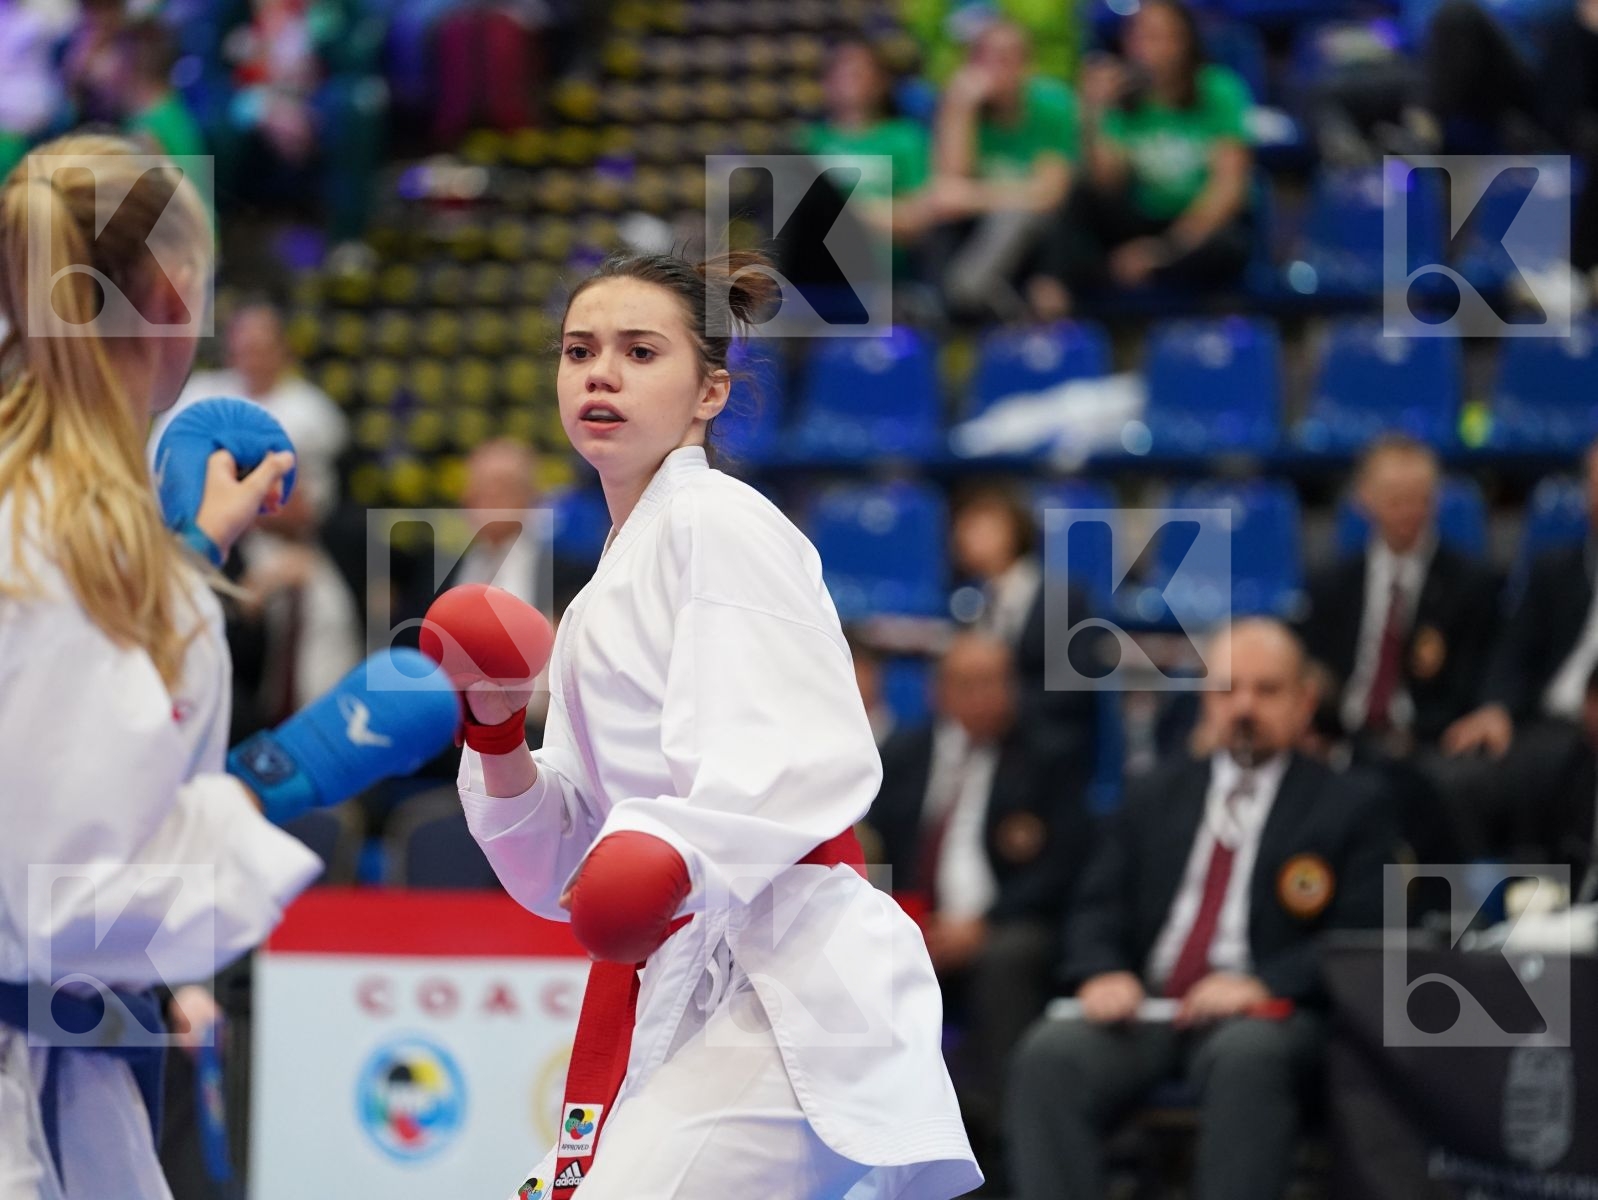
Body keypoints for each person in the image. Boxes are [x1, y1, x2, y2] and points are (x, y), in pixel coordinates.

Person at [442, 250, 981, 1198]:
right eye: (579, 351)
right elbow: (569, 870)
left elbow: (798, 746)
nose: (600, 372)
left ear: (709, 392)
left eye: (640, 351)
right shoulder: (606, 579)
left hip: (792, 981)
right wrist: (495, 740)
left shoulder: (722, 522)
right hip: (683, 978)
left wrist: (670, 849)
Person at [0, 134, 321, 1200]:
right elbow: (69, 904)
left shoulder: (66, 525)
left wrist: (185, 563)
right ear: (178, 295)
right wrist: (294, 777)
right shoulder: (72, 543)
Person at [1008, 619, 1397, 1200]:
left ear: (1304, 701)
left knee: (1246, 1057)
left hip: (1270, 1016)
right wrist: (1101, 971)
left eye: (1266, 691)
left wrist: (1261, 983)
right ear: (1205, 701)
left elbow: (1365, 936)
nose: (1244, 706)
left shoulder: (1350, 804)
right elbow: (1096, 906)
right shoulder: (1155, 794)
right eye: (1227, 689)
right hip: (1153, 1009)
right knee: (1050, 1054)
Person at [867, 633, 1092, 1167]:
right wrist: (896, 920)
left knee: (1008, 958)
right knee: (851, 953)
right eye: (969, 684)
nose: (985, 697)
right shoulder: (903, 756)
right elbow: (871, 847)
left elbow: (1063, 865)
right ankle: (872, 1136)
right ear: (938, 693)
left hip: (1005, 925)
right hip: (911, 922)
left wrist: (983, 924)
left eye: (996, 682)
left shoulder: (1048, 756)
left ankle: (992, 1136)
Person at [1027, 0, 1252, 319]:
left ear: (1184, 42)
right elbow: (1108, 182)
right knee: (1078, 197)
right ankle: (1051, 298)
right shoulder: (1122, 96)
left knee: (1228, 246)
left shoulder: (1217, 89)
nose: (1143, 47)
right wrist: (1094, 112)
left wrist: (1163, 251)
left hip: (1193, 228)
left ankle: (1142, 277)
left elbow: (1228, 189)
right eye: (1137, 36)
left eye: (1156, 36)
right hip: (1138, 218)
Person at [1439, 438, 1598, 856]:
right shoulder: (1553, 570)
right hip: (1546, 726)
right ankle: (1478, 913)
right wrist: (1497, 707)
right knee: (1457, 782)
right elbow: (1514, 650)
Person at [1299, 436, 1496, 753]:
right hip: (1342, 739)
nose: (1407, 511)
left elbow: (1474, 681)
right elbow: (1316, 668)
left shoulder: (1471, 584)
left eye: (1418, 499)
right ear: (1364, 498)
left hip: (1430, 744)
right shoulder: (1330, 584)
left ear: (1435, 500)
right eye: (1394, 499)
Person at [928, 19, 1077, 320]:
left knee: (1015, 217)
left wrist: (976, 196)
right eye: (986, 59)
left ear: (1027, 66)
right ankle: (961, 304)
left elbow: (1051, 196)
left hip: (1042, 237)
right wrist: (960, 109)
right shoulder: (959, 108)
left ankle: (968, 292)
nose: (998, 69)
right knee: (940, 229)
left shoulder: (1054, 104)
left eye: (1009, 58)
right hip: (974, 231)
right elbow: (946, 195)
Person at [155, 300, 349, 526]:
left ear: (283, 350)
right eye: (244, 349)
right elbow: (161, 462)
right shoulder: (198, 393)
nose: (252, 360)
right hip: (184, 521)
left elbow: (307, 507)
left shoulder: (314, 411)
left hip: (277, 535)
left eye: (260, 349)